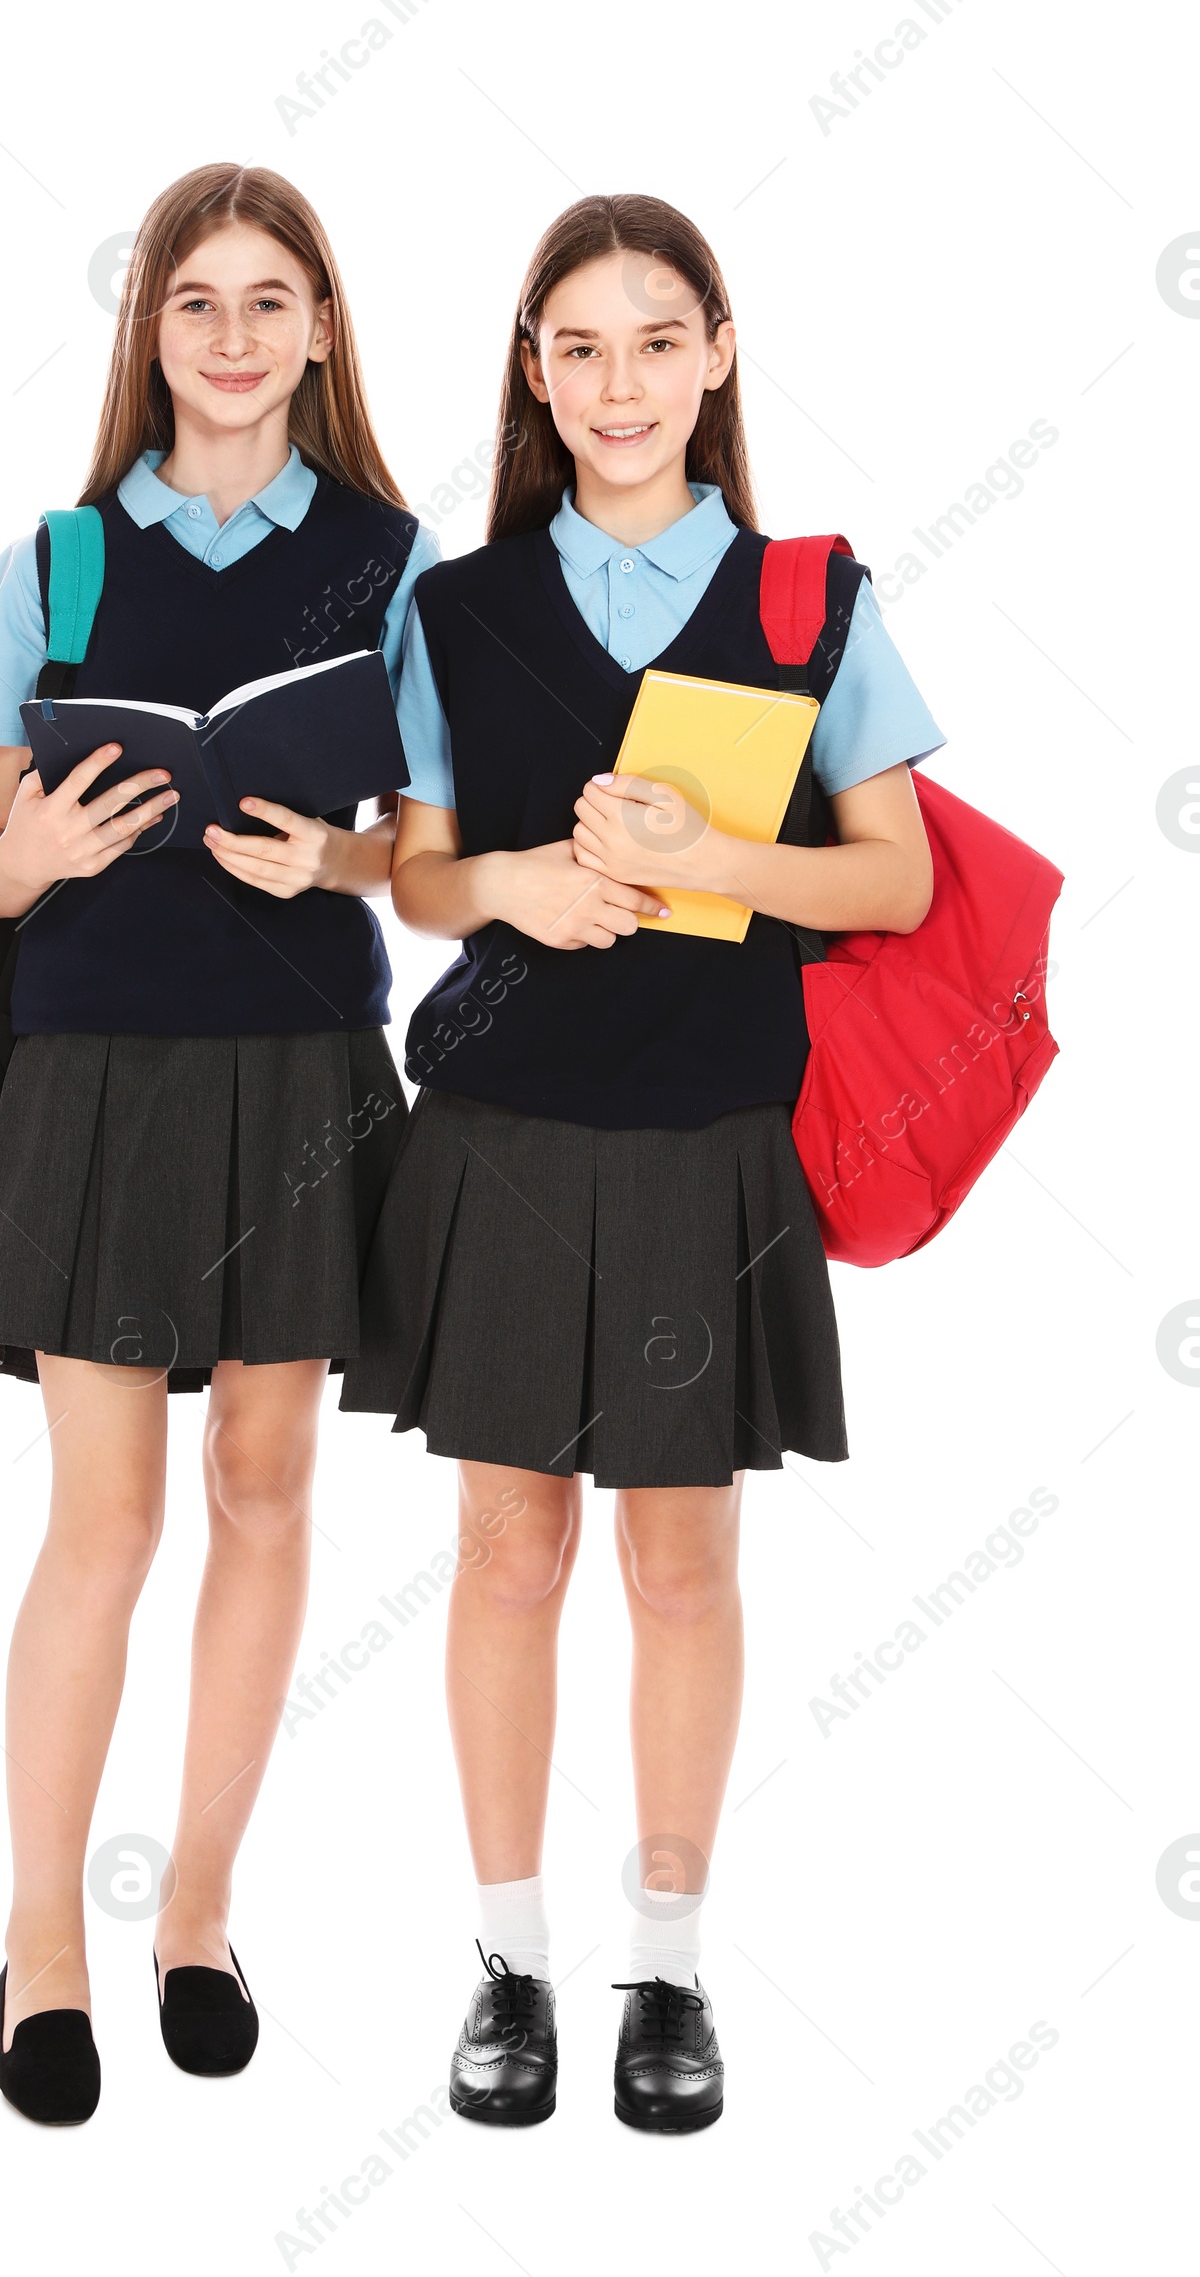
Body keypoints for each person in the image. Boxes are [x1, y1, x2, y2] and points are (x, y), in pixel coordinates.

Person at [342, 193, 944, 2130]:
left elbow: (894, 876)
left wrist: (707, 866)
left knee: (679, 1567)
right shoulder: (454, 606)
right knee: (507, 1553)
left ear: (715, 355)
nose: (618, 383)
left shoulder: (804, 599)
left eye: (653, 340)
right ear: (532, 371)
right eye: (577, 347)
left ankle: (664, 1971)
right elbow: (422, 874)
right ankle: (506, 1960)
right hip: (504, 1135)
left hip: (706, 1130)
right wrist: (507, 880)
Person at [0, 163, 437, 2123]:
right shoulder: (52, 565)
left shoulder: (393, 565)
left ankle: (202, 1913)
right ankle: (42, 1942)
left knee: (259, 1489)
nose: (228, 338)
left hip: (301, 1077)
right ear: (146, 334)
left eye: (264, 300)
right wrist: (28, 855)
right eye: (191, 303)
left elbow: (444, 848)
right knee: (109, 1520)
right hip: (97, 1075)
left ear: (319, 331)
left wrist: (349, 854)